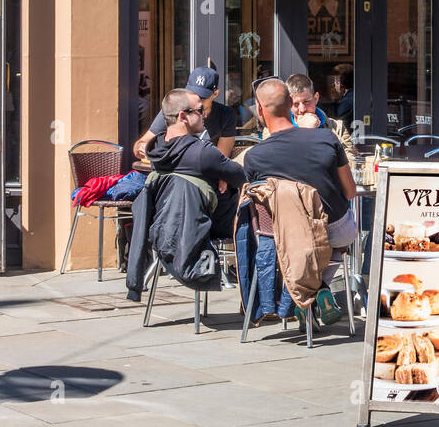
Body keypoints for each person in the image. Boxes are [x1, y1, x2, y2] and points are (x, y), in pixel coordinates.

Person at [243, 79, 359, 323]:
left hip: (283, 236)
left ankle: (305, 294)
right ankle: (319, 288)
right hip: (333, 229)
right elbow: (350, 192)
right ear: (290, 104)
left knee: (302, 243)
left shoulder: (254, 157)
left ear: (260, 110)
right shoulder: (327, 139)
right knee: (336, 238)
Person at [145, 87, 247, 238]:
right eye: (199, 110)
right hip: (205, 228)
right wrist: (223, 174)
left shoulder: (155, 150)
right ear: (182, 116)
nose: (204, 115)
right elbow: (241, 176)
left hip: (164, 228)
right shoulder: (203, 153)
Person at [134, 65, 236, 160]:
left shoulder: (226, 115)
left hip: (204, 169)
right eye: (193, 94)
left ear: (215, 93)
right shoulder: (174, 108)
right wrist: (141, 147)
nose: (197, 101)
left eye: (202, 98)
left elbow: (221, 159)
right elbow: (139, 146)